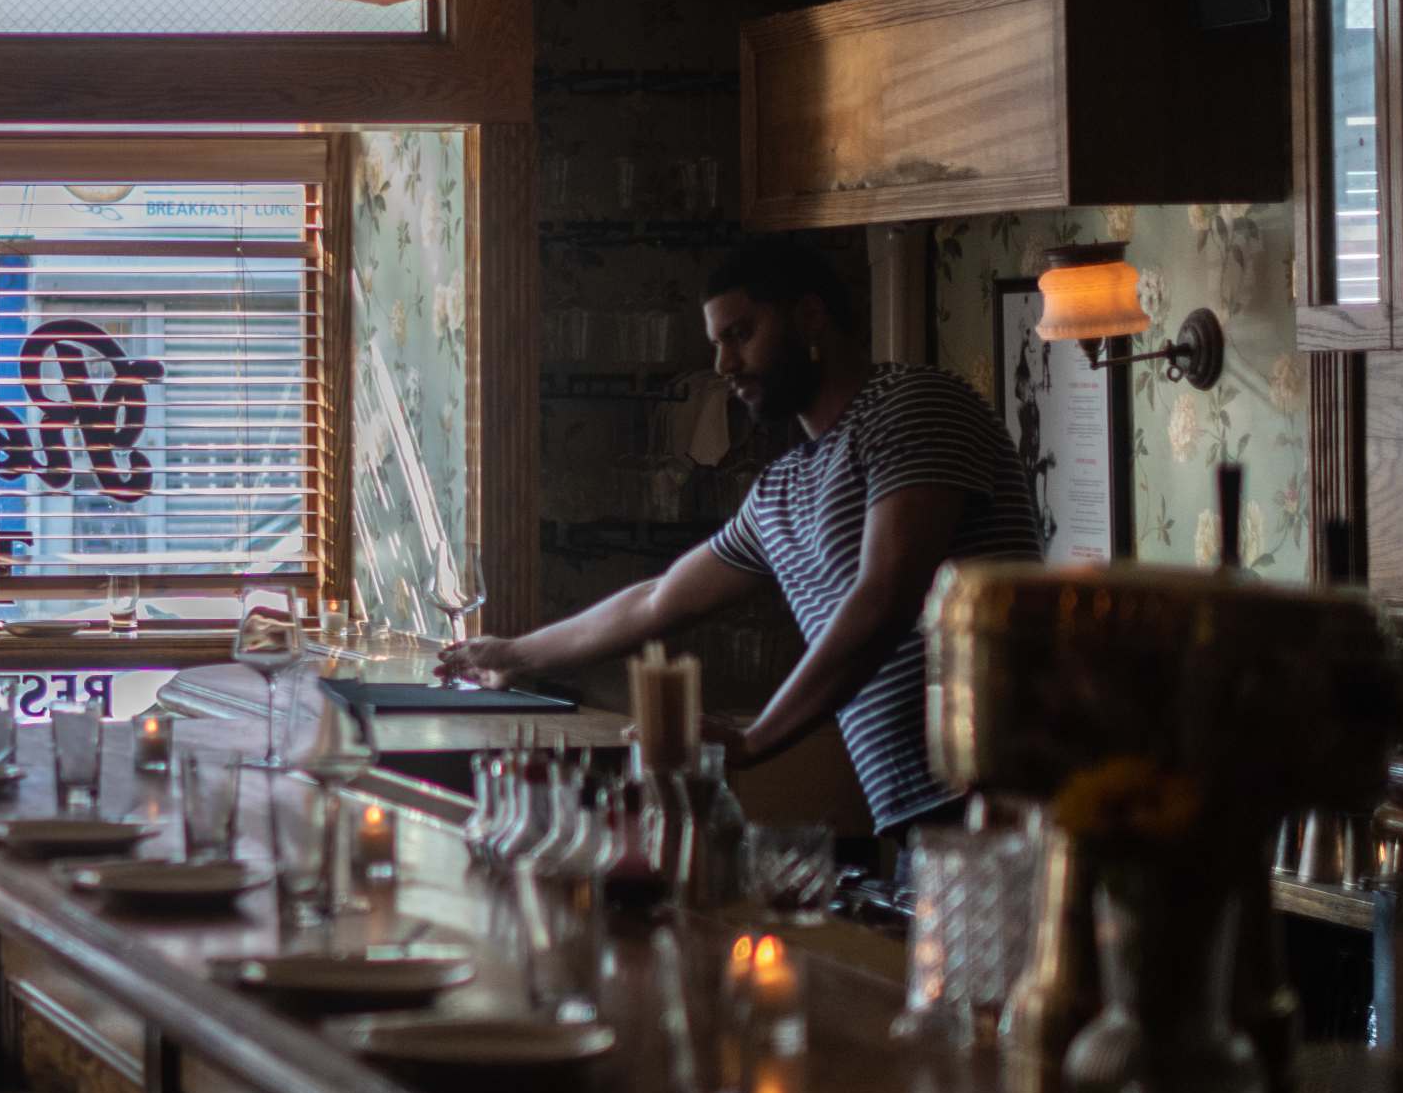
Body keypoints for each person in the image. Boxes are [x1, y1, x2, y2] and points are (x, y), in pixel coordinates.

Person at [439, 235, 1040, 836]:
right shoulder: (783, 487)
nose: (724, 365)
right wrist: (513, 654)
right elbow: (659, 599)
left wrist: (754, 741)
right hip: (918, 820)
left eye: (740, 335)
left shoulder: (913, 406)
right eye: (717, 344)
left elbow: (885, 598)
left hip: (1013, 800)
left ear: (809, 317)